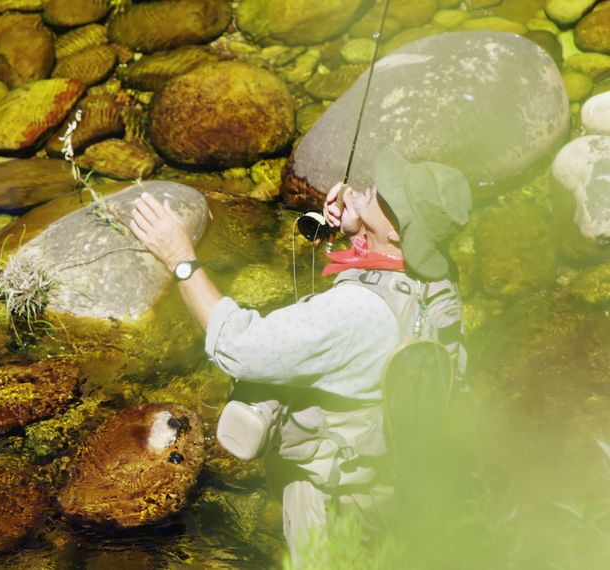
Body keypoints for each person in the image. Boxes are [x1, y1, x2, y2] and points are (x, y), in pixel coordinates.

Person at [128, 146, 472, 562]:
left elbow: (237, 346)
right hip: (393, 487)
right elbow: (384, 272)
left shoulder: (354, 314)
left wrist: (180, 258)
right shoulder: (436, 276)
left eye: (388, 196)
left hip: (334, 505)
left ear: (400, 233)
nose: (376, 186)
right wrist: (357, 228)